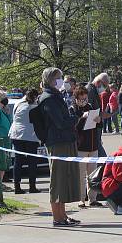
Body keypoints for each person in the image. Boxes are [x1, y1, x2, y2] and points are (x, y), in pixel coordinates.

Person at [35, 67, 82, 226]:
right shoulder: (48, 98)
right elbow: (59, 122)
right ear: (51, 80)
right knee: (58, 180)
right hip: (57, 142)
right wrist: (76, 118)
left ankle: (63, 215)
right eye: (59, 77)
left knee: (65, 179)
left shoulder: (56, 95)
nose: (62, 81)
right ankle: (57, 217)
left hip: (65, 140)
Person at [72, 87, 102, 208]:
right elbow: (74, 127)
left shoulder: (90, 107)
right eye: (82, 98)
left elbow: (99, 125)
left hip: (93, 145)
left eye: (85, 98)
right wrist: (81, 118)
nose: (84, 100)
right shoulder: (73, 109)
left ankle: (92, 199)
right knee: (81, 175)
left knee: (93, 174)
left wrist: (98, 120)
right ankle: (81, 199)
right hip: (81, 147)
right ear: (76, 99)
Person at [9, 89, 41, 194]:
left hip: (16, 134)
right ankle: (32, 186)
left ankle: (17, 187)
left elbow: (14, 116)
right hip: (30, 136)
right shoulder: (35, 106)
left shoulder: (18, 103)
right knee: (32, 162)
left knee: (18, 161)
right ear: (35, 97)